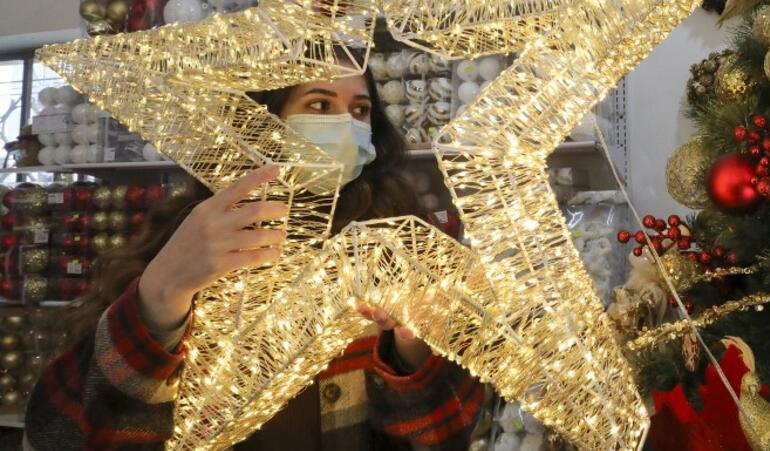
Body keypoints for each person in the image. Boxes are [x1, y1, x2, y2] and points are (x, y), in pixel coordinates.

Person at [23, 62, 486, 450]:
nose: (347, 125)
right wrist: (161, 296)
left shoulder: (393, 243)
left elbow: (447, 436)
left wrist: (412, 348)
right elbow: (66, 430)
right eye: (320, 105)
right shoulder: (195, 239)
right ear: (262, 121)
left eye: (360, 110)